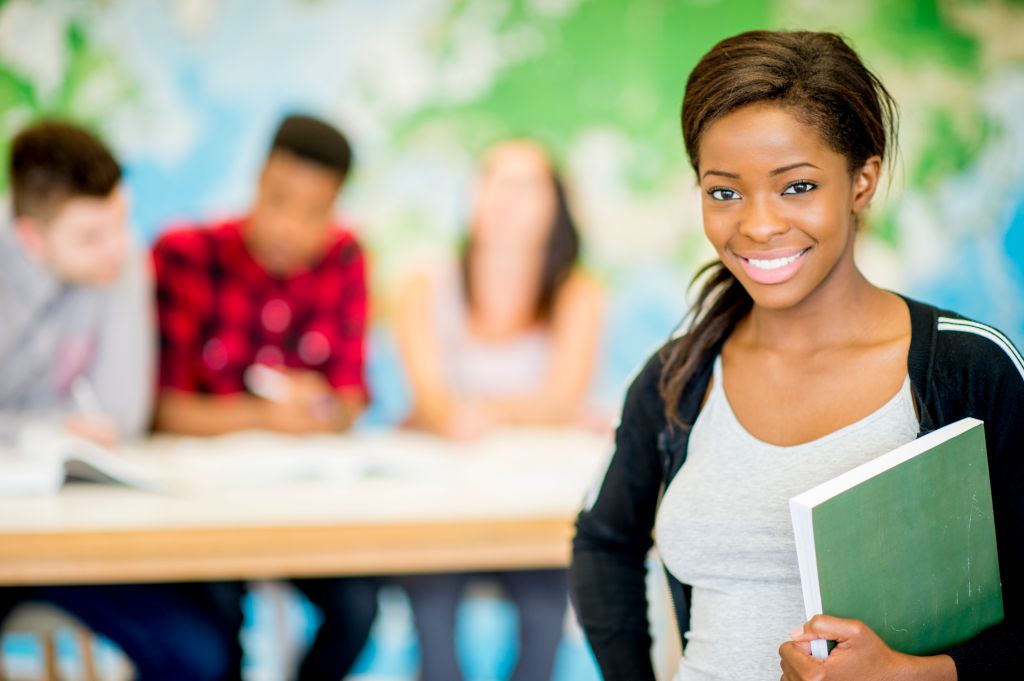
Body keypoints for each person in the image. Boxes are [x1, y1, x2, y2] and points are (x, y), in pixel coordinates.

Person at [570, 30, 1023, 681]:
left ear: (862, 181)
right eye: (724, 191)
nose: (756, 225)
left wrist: (916, 673)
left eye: (797, 186)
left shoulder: (969, 370)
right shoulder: (679, 377)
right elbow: (602, 541)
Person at [0, 120, 233, 680]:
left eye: (120, 221)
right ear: (30, 235)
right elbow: (83, 425)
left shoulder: (122, 261)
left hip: (82, 536)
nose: (116, 247)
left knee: (203, 647)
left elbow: (120, 416)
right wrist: (48, 431)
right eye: (90, 236)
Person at [151, 114, 378, 680]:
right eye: (278, 199)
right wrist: (265, 417)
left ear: (335, 209)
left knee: (358, 607)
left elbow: (349, 401)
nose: (288, 226)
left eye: (314, 211)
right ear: (256, 181)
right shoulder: (185, 255)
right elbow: (164, 411)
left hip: (301, 509)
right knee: (215, 620)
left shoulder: (346, 258)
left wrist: (322, 408)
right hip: (204, 509)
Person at [395, 139, 603, 681]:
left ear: (555, 206)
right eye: (490, 177)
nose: (500, 196)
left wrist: (474, 412)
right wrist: (539, 411)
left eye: (523, 183)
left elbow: (560, 398)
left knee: (543, 612)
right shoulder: (423, 284)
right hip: (441, 508)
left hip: (531, 508)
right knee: (433, 618)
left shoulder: (577, 292)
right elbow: (435, 405)